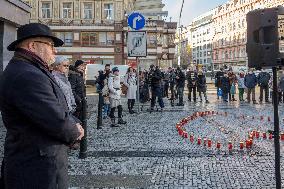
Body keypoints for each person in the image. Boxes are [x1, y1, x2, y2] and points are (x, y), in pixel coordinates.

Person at [0, 23, 84, 189]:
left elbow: (59, 106)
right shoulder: (27, 75)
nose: (55, 51)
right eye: (51, 45)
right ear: (32, 46)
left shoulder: (30, 69)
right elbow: (54, 119)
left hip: (36, 162)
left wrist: (74, 121)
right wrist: (75, 131)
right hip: (36, 169)